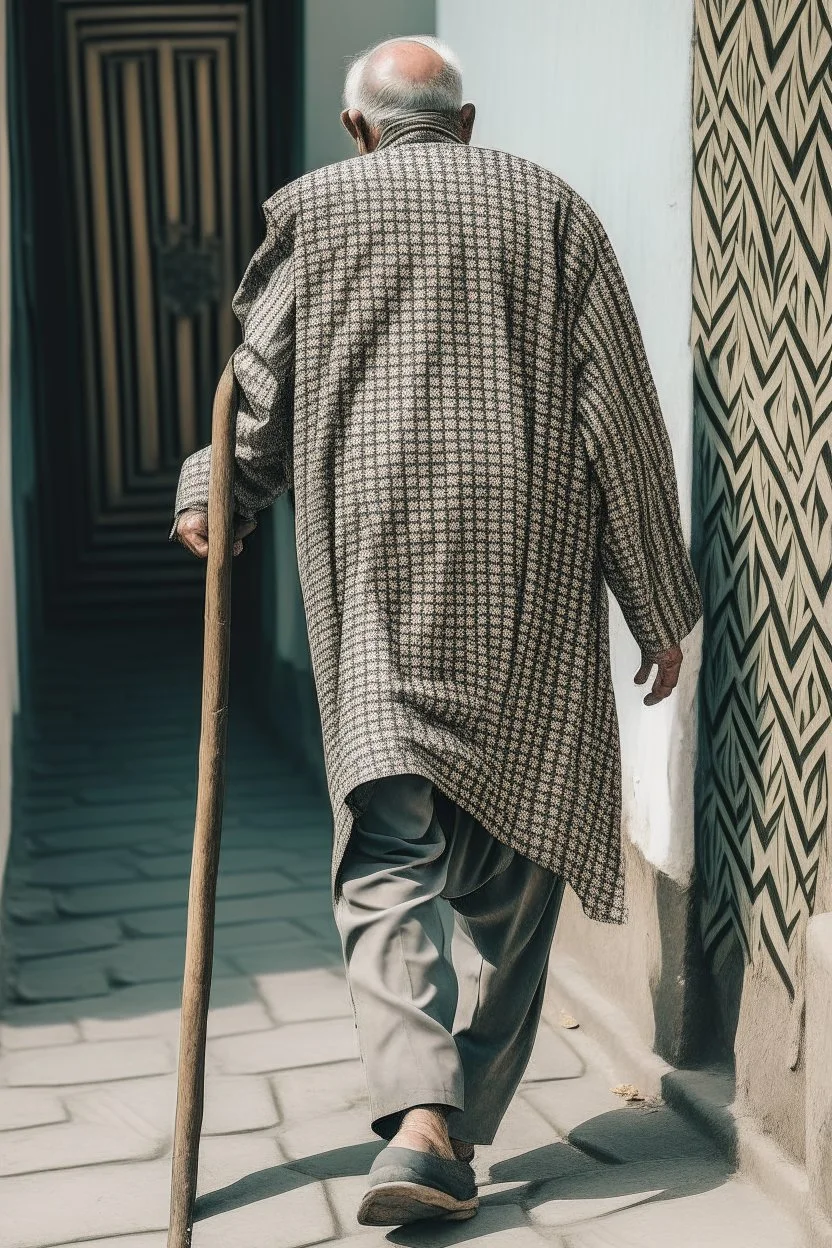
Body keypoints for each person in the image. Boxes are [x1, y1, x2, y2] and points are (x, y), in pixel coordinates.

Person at [170, 34, 702, 1227]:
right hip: (527, 595)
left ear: (360, 130)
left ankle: (420, 1119)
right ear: (465, 123)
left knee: (385, 858)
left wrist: (214, 491)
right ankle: (447, 1125)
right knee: (520, 888)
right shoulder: (551, 211)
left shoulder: (310, 213)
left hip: (375, 588)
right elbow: (616, 411)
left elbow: (257, 402)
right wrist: (657, 601)